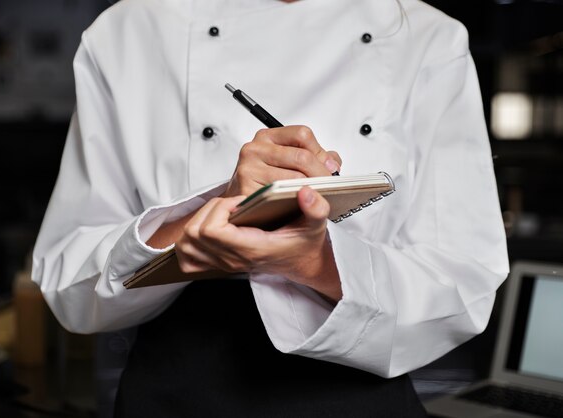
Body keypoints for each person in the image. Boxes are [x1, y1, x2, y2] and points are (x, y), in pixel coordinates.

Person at [32, 0, 509, 416]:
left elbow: (463, 283)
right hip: (174, 394)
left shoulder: (429, 40)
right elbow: (68, 284)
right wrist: (204, 220)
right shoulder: (127, 32)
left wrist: (314, 261)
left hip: (355, 402)